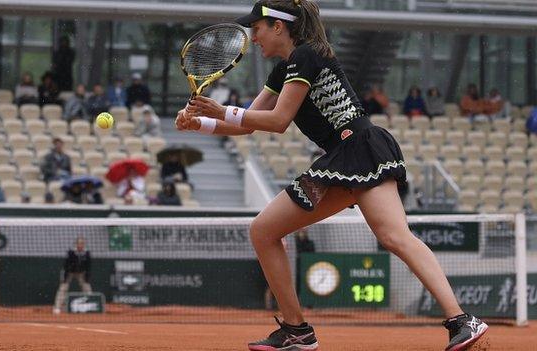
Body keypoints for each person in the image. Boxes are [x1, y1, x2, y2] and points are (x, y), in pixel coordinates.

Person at [178, 1, 488, 350]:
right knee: (381, 236)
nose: (254, 36)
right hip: (352, 156)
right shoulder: (283, 70)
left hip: (357, 150)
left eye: (258, 27)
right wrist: (201, 123)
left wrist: (224, 111)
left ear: (279, 26)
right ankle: (299, 330)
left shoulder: (306, 56)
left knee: (383, 236)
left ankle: (459, 320)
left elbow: (277, 122)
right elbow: (249, 124)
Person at [53, 237, 92, 314]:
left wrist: (86, 278)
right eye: (79, 243)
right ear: (76, 244)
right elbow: (66, 265)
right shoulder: (71, 252)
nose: (80, 245)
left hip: (81, 273)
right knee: (63, 289)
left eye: (82, 243)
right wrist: (65, 278)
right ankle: (57, 307)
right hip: (70, 272)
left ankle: (90, 305)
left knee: (87, 288)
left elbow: (88, 266)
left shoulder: (87, 253)